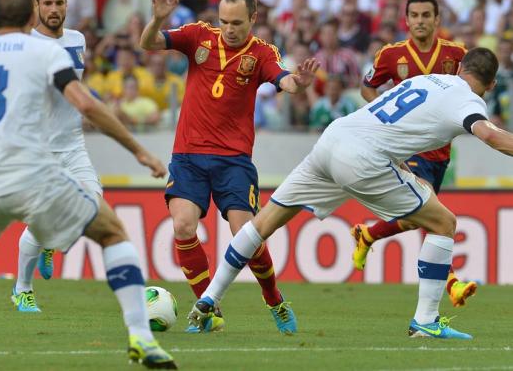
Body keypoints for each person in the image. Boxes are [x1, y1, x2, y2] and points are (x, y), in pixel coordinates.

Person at [0, 0, 177, 369]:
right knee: (112, 232)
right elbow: (86, 103)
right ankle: (142, 339)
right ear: (32, 17)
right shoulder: (43, 51)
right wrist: (139, 150)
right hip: (30, 172)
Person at [188, 47, 513, 339]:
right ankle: (425, 321)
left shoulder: (429, 80)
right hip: (364, 158)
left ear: (459, 69)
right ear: (491, 84)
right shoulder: (468, 100)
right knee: (444, 223)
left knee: (262, 224)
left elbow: (394, 123)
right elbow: (490, 136)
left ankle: (210, 298)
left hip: (335, 138)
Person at [140, 0, 314, 334]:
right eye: (224, 21)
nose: (229, 28)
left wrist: (300, 82)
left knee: (245, 235)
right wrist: (159, 17)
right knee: (183, 226)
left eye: (237, 22)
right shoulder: (198, 36)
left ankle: (274, 299)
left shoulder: (261, 53)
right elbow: (149, 43)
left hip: (233, 160)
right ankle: (208, 310)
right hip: (189, 154)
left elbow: (285, 81)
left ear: (253, 19)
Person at [355, 0, 476, 308]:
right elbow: (367, 85)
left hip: (440, 151)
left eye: (426, 15)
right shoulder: (391, 55)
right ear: (406, 20)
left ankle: (368, 235)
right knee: (431, 214)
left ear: (437, 20)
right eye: (415, 15)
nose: (420, 21)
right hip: (408, 148)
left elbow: (471, 86)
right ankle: (451, 283)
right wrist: (384, 110)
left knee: (417, 218)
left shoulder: (456, 54)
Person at [9, 0, 98, 313]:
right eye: (47, 3)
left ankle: (48, 243)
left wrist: (84, 108)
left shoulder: (77, 40)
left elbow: (75, 86)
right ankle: (22, 289)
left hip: (72, 144)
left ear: (66, 4)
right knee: (43, 219)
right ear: (36, 7)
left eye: (59, 3)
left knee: (93, 204)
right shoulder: (24, 44)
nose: (54, 9)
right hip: (39, 150)